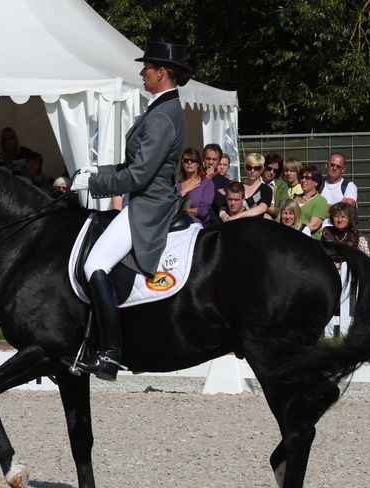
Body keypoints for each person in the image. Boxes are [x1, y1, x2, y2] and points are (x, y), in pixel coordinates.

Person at [65, 40, 192, 380]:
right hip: (143, 199)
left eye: (146, 68)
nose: (142, 72)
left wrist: (94, 186)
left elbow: (139, 175)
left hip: (147, 206)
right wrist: (96, 171)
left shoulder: (164, 117)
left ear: (162, 72)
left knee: (94, 265)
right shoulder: (160, 109)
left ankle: (109, 354)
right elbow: (130, 163)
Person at [221, 153, 271, 220]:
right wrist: (222, 213)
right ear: (245, 168)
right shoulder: (238, 186)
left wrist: (238, 216)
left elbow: (262, 208)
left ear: (262, 169)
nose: (252, 171)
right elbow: (224, 204)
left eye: (256, 168)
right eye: (249, 167)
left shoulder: (266, 189)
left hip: (255, 227)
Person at [176, 147, 215, 226]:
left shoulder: (207, 184)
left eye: (193, 160)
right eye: (186, 160)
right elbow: (169, 206)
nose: (189, 163)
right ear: (182, 163)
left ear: (198, 164)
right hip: (176, 225)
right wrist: (184, 191)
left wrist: (181, 210)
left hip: (196, 226)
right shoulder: (176, 184)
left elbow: (202, 211)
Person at [295, 165, 329, 239]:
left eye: (307, 178)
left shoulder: (320, 201)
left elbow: (313, 225)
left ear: (316, 182)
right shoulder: (295, 198)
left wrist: (294, 232)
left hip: (309, 241)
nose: (303, 180)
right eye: (302, 177)